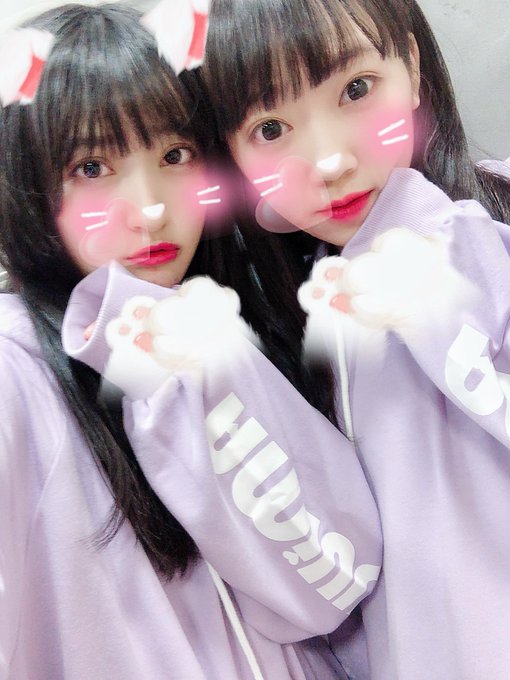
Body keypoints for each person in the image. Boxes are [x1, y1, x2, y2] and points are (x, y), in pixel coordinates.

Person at [0, 4, 383, 679]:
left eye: (175, 156)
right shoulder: (16, 371)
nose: (151, 207)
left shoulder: (225, 330)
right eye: (92, 167)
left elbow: (333, 583)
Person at [199, 0, 510, 678]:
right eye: (271, 128)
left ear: (413, 67)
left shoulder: (493, 237)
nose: (331, 160)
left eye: (356, 90)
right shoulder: (278, 331)